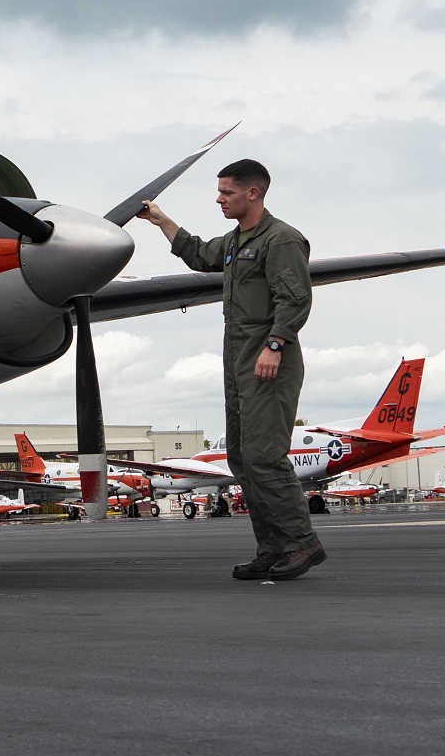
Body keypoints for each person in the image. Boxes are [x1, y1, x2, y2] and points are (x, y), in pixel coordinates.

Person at [138, 158, 325, 581]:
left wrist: (274, 346)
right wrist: (160, 220)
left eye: (227, 192)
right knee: (241, 458)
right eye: (219, 191)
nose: (219, 198)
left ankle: (303, 543)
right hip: (237, 359)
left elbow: (294, 301)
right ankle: (272, 548)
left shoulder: (282, 240)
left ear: (253, 193)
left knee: (264, 455)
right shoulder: (234, 241)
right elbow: (199, 255)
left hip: (268, 358)